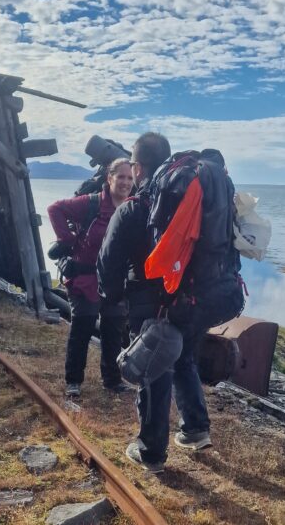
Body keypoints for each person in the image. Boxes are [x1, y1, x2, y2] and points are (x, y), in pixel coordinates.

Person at [97, 134, 243, 472]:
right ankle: (195, 429)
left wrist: (115, 300)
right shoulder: (186, 196)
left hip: (150, 302)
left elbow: (108, 263)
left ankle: (150, 450)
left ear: (136, 166)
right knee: (183, 357)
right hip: (193, 297)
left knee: (153, 370)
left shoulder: (134, 207)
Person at [47, 157, 135, 397]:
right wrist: (67, 240)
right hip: (85, 280)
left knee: (113, 332)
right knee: (82, 330)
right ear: (110, 178)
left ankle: (112, 381)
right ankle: (73, 381)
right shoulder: (91, 204)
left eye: (130, 177)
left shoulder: (133, 207)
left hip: (115, 283)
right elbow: (54, 209)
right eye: (121, 177)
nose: (125, 182)